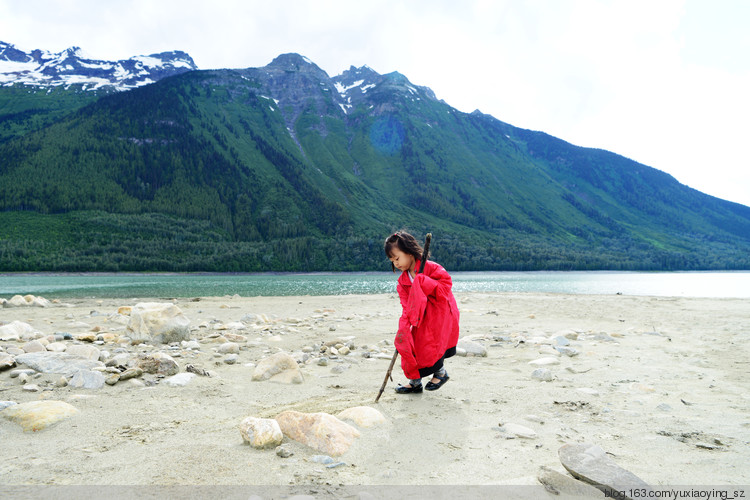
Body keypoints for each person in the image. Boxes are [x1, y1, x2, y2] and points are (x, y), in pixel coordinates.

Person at [384, 231, 460, 394]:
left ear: (409, 252)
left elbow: (446, 286)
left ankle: (441, 373)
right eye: (392, 261)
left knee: (432, 343)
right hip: (419, 315)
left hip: (439, 313)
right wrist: (406, 320)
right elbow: (406, 303)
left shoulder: (430, 268)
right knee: (411, 344)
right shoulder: (403, 281)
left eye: (397, 258)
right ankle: (415, 382)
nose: (396, 264)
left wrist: (425, 282)